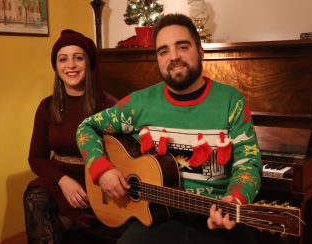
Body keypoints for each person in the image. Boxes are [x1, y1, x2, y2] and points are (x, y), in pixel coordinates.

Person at [76, 13, 262, 244]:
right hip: (157, 216)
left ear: (201, 52)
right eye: (163, 51)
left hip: (215, 218)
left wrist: (234, 199)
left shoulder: (230, 101)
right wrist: (102, 170)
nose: (173, 57)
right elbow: (86, 127)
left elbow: (249, 162)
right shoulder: (139, 104)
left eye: (182, 47)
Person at [23, 29, 118, 243]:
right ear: (56, 67)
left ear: (90, 64)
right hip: (60, 179)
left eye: (78, 58)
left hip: (97, 183)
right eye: (62, 59)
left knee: (62, 227)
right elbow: (36, 158)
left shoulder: (109, 105)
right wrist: (63, 181)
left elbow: (125, 158)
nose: (71, 66)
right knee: (34, 197)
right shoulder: (47, 107)